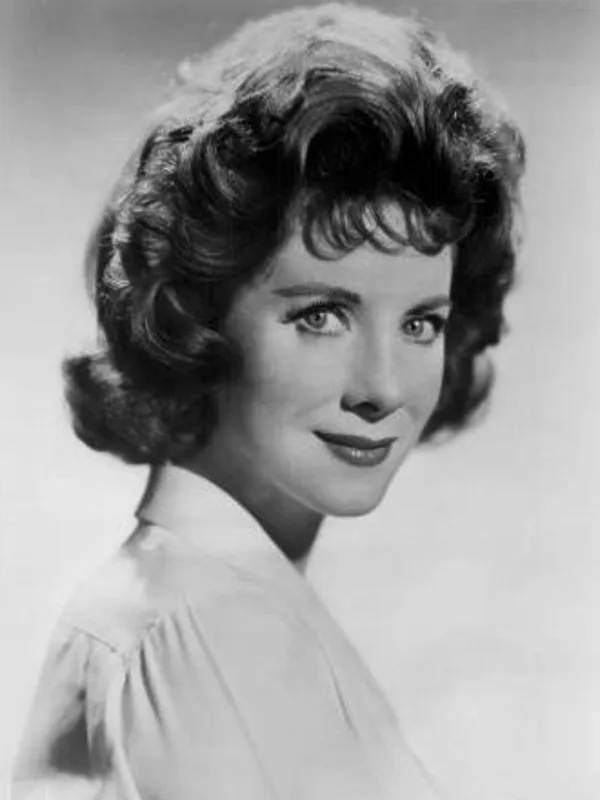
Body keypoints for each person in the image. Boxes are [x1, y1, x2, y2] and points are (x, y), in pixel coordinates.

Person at [12, 3, 526, 798]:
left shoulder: (220, 609)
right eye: (321, 316)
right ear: (201, 312)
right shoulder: (198, 628)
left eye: (421, 323)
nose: (383, 387)